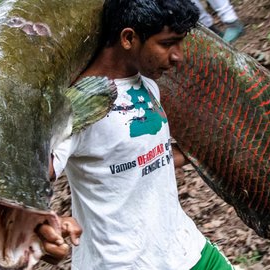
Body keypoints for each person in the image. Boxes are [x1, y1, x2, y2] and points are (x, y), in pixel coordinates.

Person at [37, 0, 235, 269]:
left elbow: (147, 159)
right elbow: (32, 175)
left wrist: (203, 149)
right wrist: (45, 225)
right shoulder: (77, 105)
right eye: (167, 43)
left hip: (185, 250)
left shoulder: (149, 86)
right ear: (128, 38)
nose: (178, 56)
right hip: (122, 262)